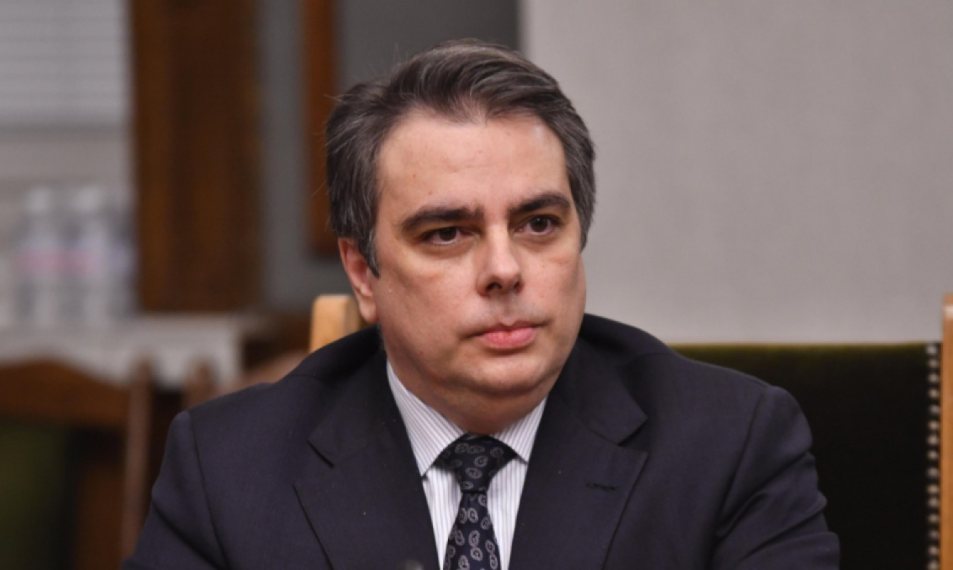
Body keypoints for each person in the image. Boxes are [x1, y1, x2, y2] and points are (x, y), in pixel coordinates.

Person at [125, 39, 839, 570]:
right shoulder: (230, 469)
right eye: (447, 233)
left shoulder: (728, 447)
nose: (505, 270)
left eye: (539, 224)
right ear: (364, 274)